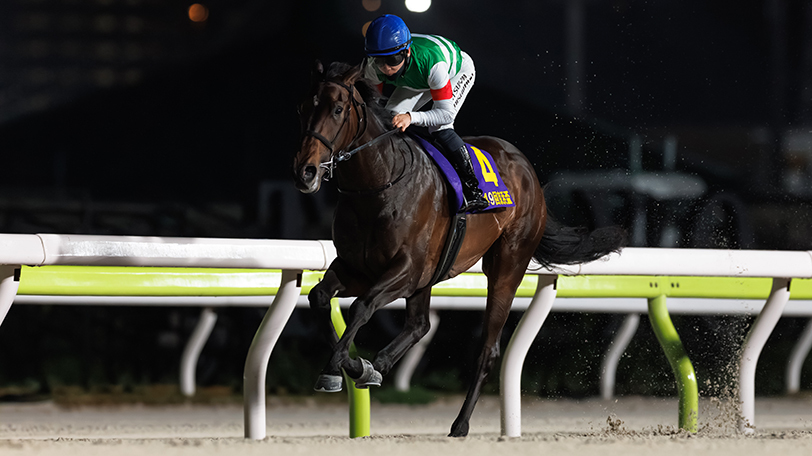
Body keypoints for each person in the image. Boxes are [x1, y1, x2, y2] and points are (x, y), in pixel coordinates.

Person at [362, 14, 489, 213]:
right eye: (379, 61)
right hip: (416, 77)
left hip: (453, 72)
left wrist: (411, 117)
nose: (387, 69)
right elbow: (371, 105)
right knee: (387, 119)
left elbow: (444, 114)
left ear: (407, 51)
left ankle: (473, 189)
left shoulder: (432, 65)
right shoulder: (372, 68)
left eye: (393, 59)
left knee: (439, 127)